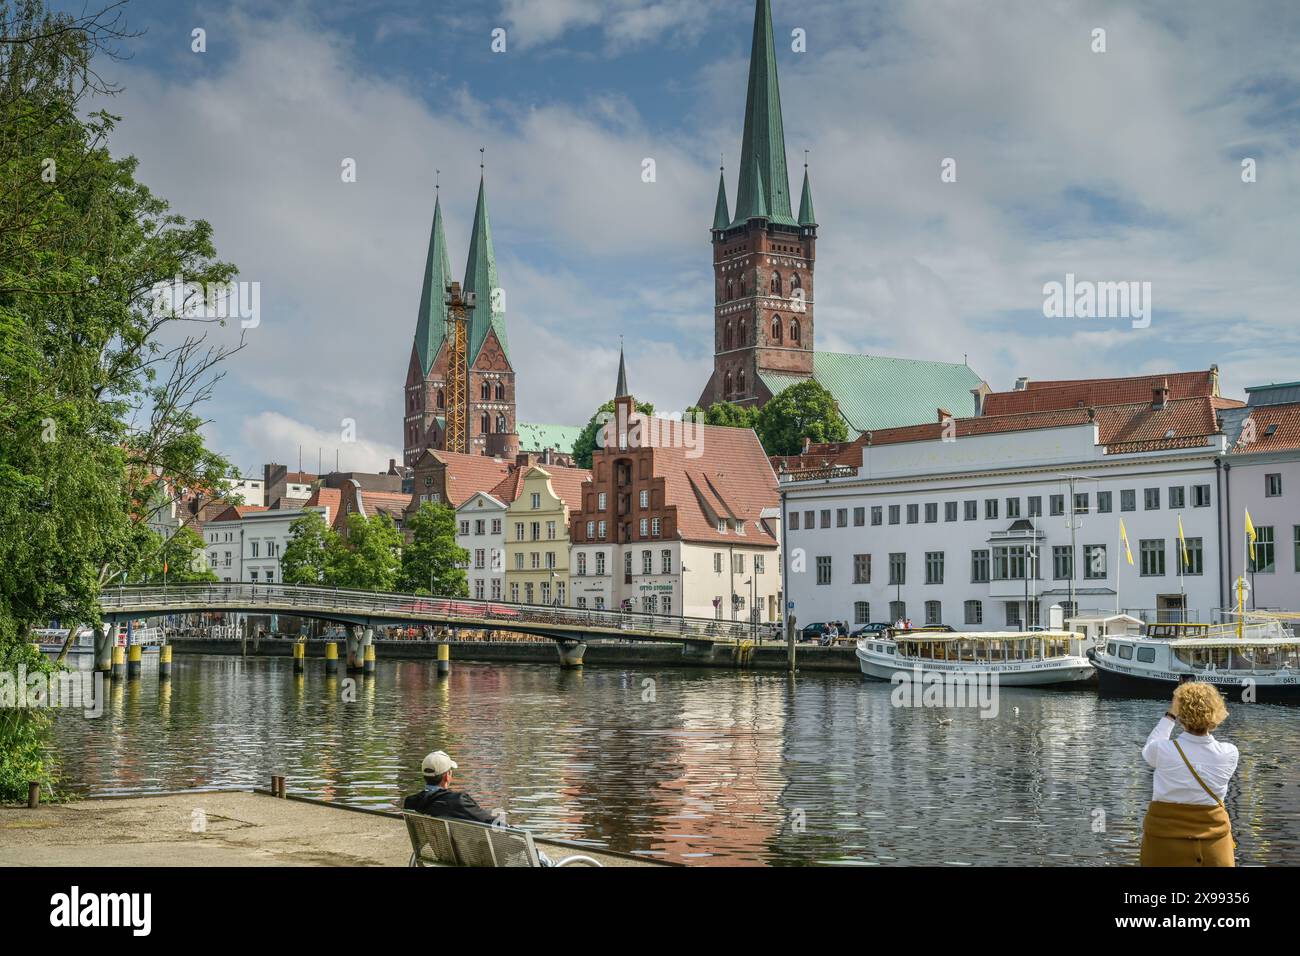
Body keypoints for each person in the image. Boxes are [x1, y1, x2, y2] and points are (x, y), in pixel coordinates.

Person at [1139, 681, 1239, 867]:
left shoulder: (1162, 750)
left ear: (1181, 715)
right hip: (1213, 843)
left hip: (1164, 841)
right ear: (1217, 711)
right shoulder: (1229, 753)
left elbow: (1148, 749)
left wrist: (1170, 715)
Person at [403, 751, 495, 824]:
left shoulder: (410, 802)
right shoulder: (458, 801)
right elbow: (490, 822)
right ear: (447, 776)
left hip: (434, 847)